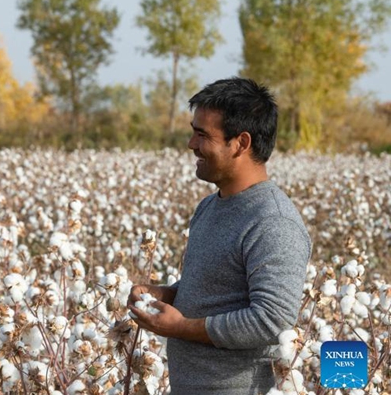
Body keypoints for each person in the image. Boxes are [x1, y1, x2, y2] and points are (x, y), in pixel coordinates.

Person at [127, 77, 311, 394]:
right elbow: (218, 288)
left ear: (240, 143)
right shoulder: (211, 206)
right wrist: (164, 295)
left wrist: (180, 328)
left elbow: (272, 320)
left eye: (202, 135)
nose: (191, 144)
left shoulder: (272, 221)